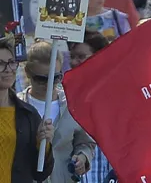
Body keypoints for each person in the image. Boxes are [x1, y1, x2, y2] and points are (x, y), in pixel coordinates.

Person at [18, 40, 95, 183]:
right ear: (28, 73)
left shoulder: (72, 105)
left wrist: (82, 158)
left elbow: (85, 143)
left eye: (55, 78)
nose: (49, 84)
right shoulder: (18, 106)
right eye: (41, 79)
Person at [0, 35, 54, 182]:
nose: (8, 69)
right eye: (0, 63)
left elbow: (40, 173)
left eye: (12, 63)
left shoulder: (28, 114)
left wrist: (43, 144)